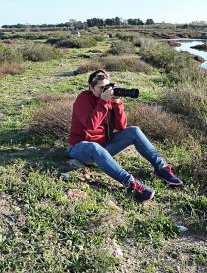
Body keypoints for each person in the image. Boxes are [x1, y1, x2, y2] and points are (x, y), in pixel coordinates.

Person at [68, 69, 183, 201]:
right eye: (101, 88)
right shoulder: (83, 98)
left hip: (104, 147)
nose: (105, 90)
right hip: (80, 148)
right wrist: (103, 102)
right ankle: (131, 184)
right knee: (95, 147)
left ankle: (160, 168)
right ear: (91, 88)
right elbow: (91, 126)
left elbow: (121, 126)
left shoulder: (107, 99)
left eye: (107, 86)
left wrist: (117, 104)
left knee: (133, 130)